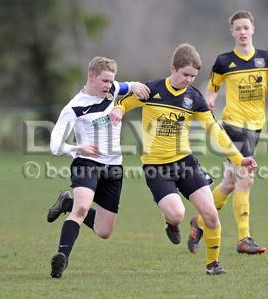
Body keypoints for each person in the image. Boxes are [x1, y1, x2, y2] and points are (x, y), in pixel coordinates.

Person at [109, 43, 257, 275]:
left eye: (193, 76)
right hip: (156, 166)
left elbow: (215, 130)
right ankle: (171, 222)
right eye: (185, 74)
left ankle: (213, 264)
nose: (189, 79)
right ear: (173, 68)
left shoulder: (194, 98)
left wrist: (240, 159)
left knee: (210, 214)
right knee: (177, 213)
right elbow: (123, 102)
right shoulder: (152, 89)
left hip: (185, 162)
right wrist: (118, 110)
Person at [188, 10, 268, 255]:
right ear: (232, 32)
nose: (242, 32)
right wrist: (210, 101)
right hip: (233, 125)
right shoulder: (223, 62)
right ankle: (244, 238)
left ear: (253, 29)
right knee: (246, 177)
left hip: (256, 126)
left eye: (246, 27)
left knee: (230, 183)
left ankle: (199, 223)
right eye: (238, 29)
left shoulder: (267, 59)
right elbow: (211, 89)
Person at [48, 56, 150, 279]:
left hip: (114, 166)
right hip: (86, 163)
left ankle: (66, 202)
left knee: (104, 231)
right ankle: (62, 258)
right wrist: (77, 149)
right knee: (82, 209)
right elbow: (54, 145)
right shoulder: (74, 107)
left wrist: (136, 86)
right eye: (104, 81)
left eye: (110, 81)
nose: (108, 85)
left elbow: (128, 86)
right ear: (91, 77)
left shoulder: (113, 89)